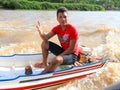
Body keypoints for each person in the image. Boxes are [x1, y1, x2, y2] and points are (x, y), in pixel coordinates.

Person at [34, 7, 82, 73]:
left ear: (67, 18)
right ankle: (44, 64)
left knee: (57, 59)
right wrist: (41, 32)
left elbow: (71, 49)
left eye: (65, 17)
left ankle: (44, 74)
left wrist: (59, 56)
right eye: (60, 17)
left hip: (72, 55)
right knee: (44, 43)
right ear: (57, 19)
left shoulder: (73, 30)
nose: (63, 19)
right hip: (64, 51)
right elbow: (45, 38)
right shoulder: (57, 28)